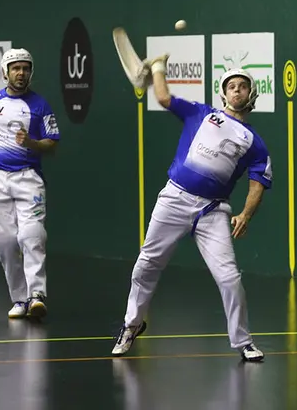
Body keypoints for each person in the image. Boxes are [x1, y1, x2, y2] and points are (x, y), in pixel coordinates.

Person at [111, 54, 271, 362]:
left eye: (243, 87)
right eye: (232, 86)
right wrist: (157, 67)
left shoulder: (255, 143)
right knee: (146, 265)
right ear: (223, 93)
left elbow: (258, 182)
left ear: (252, 94)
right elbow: (162, 96)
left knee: (229, 278)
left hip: (213, 211)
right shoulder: (201, 113)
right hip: (174, 199)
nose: (237, 91)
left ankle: (243, 341)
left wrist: (246, 214)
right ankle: (131, 325)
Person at [0, 48, 60, 319]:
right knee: (4, 241)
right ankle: (19, 299)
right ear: (5, 72)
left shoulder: (40, 105)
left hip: (28, 178)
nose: (21, 73)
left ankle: (36, 294)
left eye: (26, 68)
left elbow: (52, 144)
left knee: (32, 235)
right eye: (16, 68)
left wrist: (30, 142)